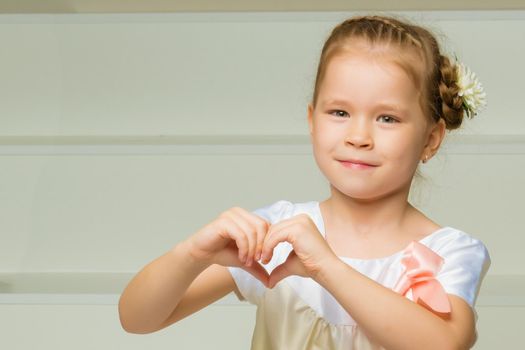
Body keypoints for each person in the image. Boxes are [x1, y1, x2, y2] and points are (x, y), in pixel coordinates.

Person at [118, 14, 491, 349]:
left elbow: (444, 343)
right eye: (340, 112)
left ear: (431, 138)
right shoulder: (279, 231)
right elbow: (137, 319)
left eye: (387, 118)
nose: (358, 136)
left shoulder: (447, 251)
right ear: (312, 121)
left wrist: (326, 267)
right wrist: (191, 255)